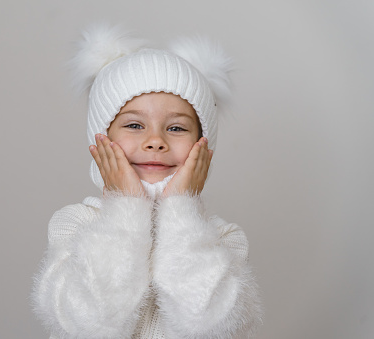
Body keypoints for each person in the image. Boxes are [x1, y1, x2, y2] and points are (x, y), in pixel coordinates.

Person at [32, 24, 263, 339]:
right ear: (101, 139)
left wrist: (182, 211)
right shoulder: (74, 224)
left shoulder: (224, 238)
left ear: (203, 147)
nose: (155, 141)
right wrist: (125, 205)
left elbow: (210, 326)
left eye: (177, 128)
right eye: (135, 124)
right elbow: (91, 325)